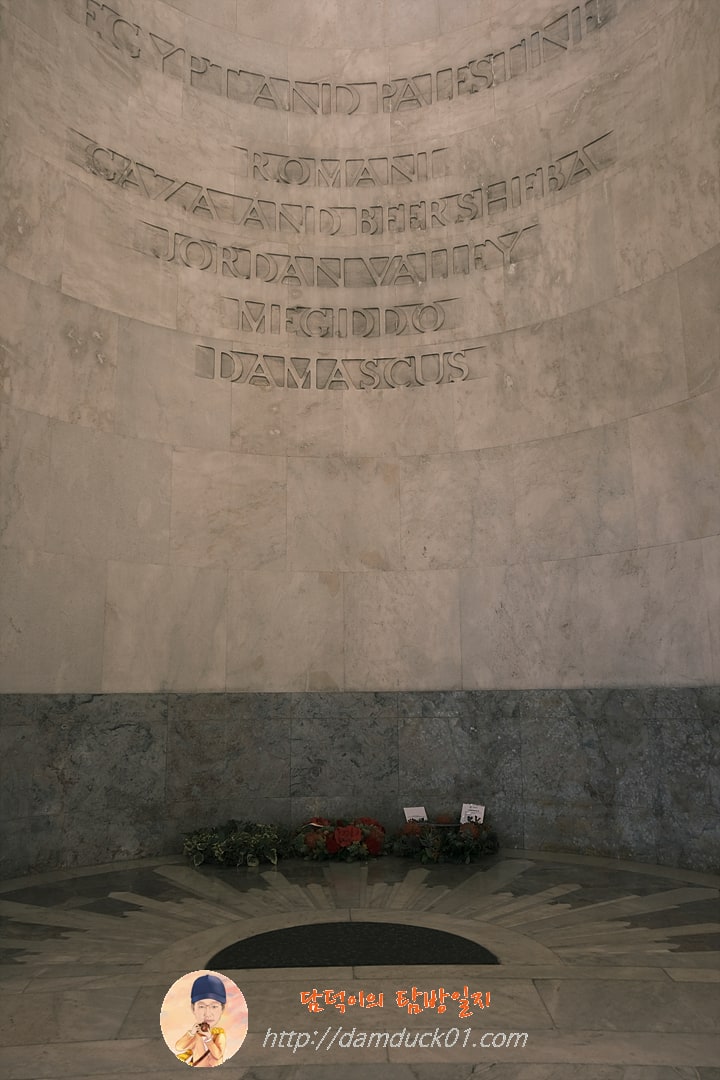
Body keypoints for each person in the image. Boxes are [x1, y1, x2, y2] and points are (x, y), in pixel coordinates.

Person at [175, 973, 227, 1067]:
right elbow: (179, 1047)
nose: (207, 1013)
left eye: (214, 1006)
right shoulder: (196, 1035)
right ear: (193, 1008)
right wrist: (191, 1033)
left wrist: (209, 1039)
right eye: (202, 1006)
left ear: (222, 1009)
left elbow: (218, 1055)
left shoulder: (219, 1035)